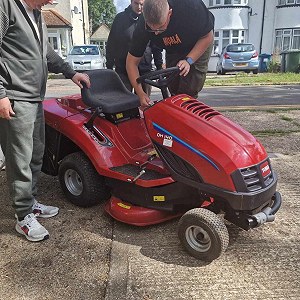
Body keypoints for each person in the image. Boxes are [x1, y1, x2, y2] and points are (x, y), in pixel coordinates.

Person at [0, 0, 91, 242]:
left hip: (35, 97)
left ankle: (31, 202)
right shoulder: (6, 7)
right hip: (15, 97)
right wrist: (0, 95)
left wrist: (71, 72)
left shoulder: (37, 12)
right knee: (19, 158)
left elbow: (46, 52)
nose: (52, 2)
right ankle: (23, 217)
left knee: (35, 154)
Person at [126, 0, 214, 107]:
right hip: (173, 47)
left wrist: (189, 60)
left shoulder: (191, 7)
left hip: (199, 41)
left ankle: (186, 112)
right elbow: (131, 63)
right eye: (151, 29)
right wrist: (140, 94)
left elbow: (207, 37)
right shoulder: (142, 25)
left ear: (169, 13)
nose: (157, 33)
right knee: (173, 83)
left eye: (160, 28)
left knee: (189, 87)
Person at [106, 0, 163, 95]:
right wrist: (109, 66)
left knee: (145, 103)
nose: (139, 7)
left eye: (142, 4)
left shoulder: (150, 19)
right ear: (131, 2)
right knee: (125, 104)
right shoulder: (120, 19)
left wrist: (159, 67)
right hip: (123, 70)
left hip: (144, 71)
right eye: (136, 3)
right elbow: (112, 44)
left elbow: (156, 46)